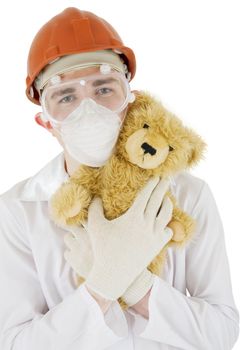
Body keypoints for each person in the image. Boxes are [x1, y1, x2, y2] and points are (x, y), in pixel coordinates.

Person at [0, 7, 239, 350]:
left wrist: (137, 286)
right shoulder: (18, 211)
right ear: (46, 122)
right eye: (66, 97)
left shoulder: (188, 195)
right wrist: (101, 286)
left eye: (103, 89)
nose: (89, 110)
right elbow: (15, 343)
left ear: (130, 100)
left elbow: (222, 332)